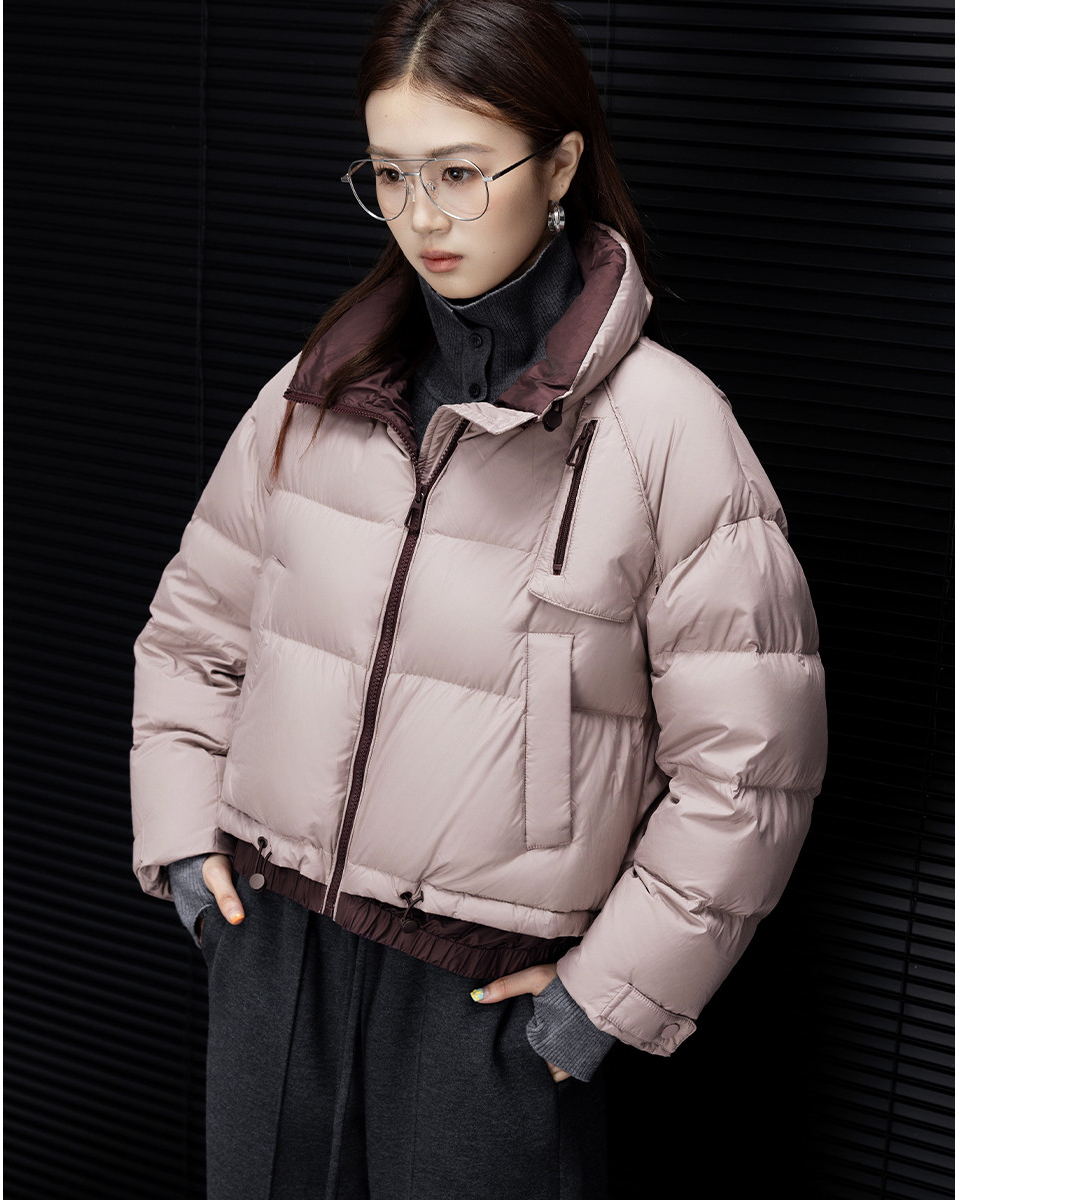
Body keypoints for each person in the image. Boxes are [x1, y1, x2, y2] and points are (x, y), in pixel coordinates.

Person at [129, 1, 828, 1197]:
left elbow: (751, 766)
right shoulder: (315, 393)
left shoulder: (669, 432)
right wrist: (187, 846)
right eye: (390, 175)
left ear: (559, 165)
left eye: (460, 172)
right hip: (274, 955)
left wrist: (603, 1000)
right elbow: (193, 636)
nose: (422, 216)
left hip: (482, 997)